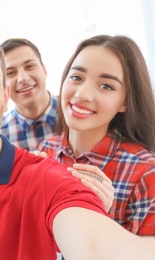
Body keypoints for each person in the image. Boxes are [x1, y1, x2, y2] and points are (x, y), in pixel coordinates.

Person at [0, 22, 155, 259]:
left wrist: (98, 215)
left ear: (5, 96)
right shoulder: (47, 150)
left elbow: (87, 235)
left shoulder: (48, 174)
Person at [37, 34, 155, 236]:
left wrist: (99, 218)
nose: (82, 94)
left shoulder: (146, 173)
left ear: (125, 102)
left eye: (106, 86)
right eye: (76, 77)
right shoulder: (45, 151)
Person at [0, 38, 58, 151]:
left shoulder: (75, 114)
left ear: (44, 70)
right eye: (10, 73)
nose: (23, 78)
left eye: (30, 66)